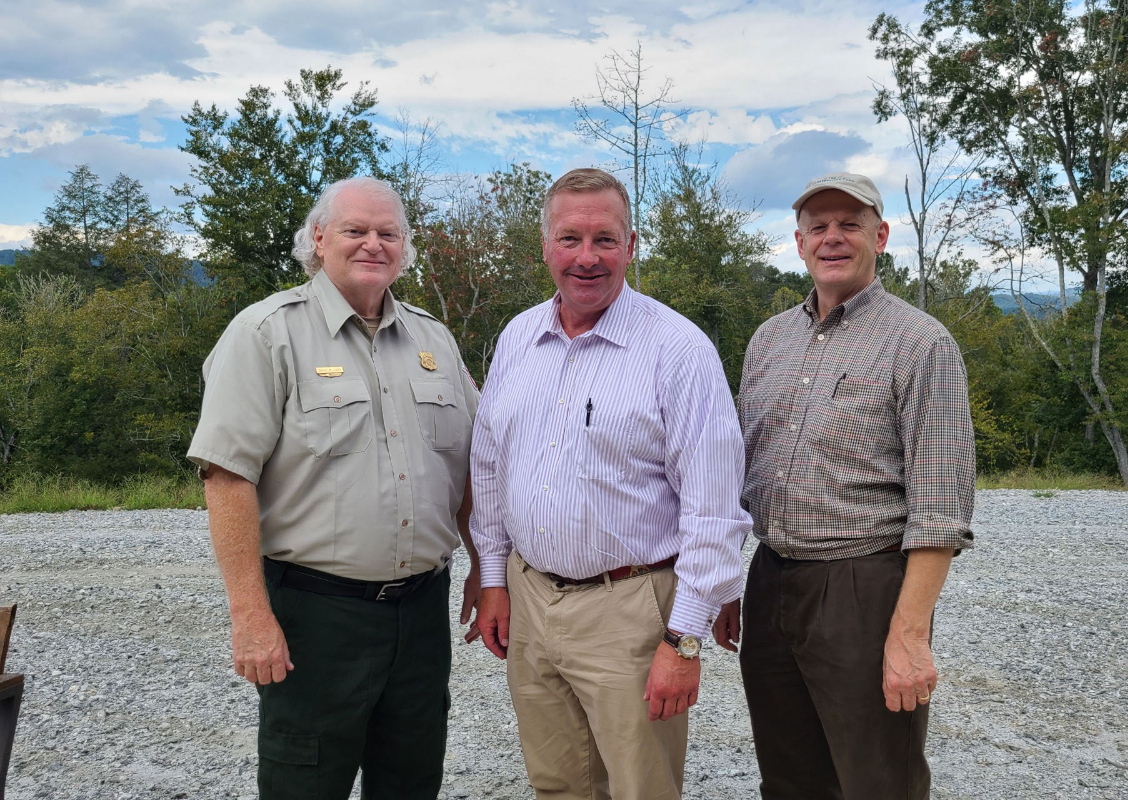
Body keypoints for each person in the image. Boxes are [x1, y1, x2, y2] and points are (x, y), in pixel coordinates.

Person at [187, 176, 480, 800]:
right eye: (355, 230)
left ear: (404, 246)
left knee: (411, 782)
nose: (373, 244)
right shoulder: (267, 333)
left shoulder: (435, 341)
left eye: (388, 233)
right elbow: (227, 476)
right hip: (316, 617)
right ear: (318, 240)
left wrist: (487, 567)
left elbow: (473, 466)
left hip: (422, 612)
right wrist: (250, 615)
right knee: (306, 784)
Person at [470, 168, 751, 800]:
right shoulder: (517, 338)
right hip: (532, 600)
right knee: (557, 785)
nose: (587, 258)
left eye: (605, 239)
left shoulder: (677, 350)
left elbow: (713, 511)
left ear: (632, 245)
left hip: (632, 609)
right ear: (545, 247)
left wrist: (683, 641)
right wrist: (493, 580)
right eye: (570, 239)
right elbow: (489, 467)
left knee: (640, 789)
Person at [725, 172, 975, 799]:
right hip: (772, 575)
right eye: (818, 226)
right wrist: (727, 581)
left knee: (876, 779)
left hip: (863, 583)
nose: (832, 237)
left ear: (880, 236)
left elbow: (941, 505)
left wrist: (909, 634)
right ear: (800, 242)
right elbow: (735, 469)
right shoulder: (769, 340)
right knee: (788, 775)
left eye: (850, 224)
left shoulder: (919, 342)